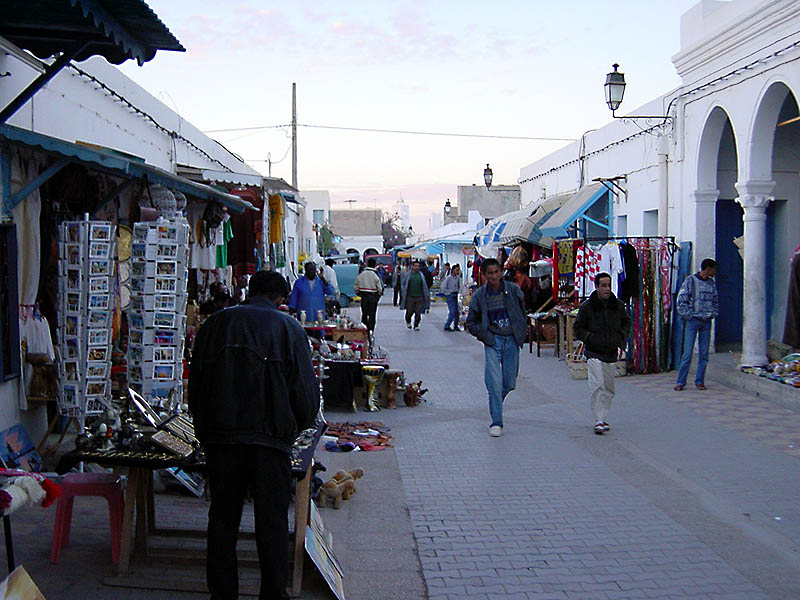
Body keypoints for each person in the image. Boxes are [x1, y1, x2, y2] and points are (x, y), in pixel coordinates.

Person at [189, 270, 320, 600]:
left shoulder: (214, 326)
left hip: (222, 439)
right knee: (272, 523)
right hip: (270, 442)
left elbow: (196, 387)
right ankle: (273, 594)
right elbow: (305, 394)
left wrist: (205, 431)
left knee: (222, 520)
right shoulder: (289, 329)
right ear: (280, 299)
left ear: (251, 291)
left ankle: (222, 595)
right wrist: (296, 428)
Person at [466, 258, 527, 437]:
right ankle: (496, 421)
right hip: (493, 341)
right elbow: (471, 322)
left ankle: (495, 403)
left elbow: (522, 312)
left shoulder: (513, 290)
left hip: (512, 340)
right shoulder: (479, 296)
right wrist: (485, 335)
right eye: (490, 273)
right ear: (484, 275)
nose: (494, 276)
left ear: (501, 272)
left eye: (496, 272)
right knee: (494, 382)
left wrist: (520, 330)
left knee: (509, 382)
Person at [573, 271, 631, 435]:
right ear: (597, 286)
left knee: (608, 386)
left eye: (608, 285)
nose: (607, 289)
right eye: (603, 285)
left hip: (611, 351)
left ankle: (603, 416)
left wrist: (620, 337)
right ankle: (599, 419)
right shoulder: (587, 307)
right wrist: (590, 338)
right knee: (597, 384)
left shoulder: (617, 305)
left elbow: (626, 322)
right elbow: (578, 328)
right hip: (594, 351)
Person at [674, 258, 719, 391]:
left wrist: (713, 313)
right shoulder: (690, 281)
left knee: (704, 353)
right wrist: (689, 315)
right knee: (687, 353)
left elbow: (715, 300)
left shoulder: (711, 283)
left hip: (706, 321)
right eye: (714, 269)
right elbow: (682, 300)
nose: (715, 272)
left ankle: (699, 381)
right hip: (693, 321)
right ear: (708, 269)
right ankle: (681, 382)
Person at [354, 257, 384, 333]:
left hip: (363, 296)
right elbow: (380, 287)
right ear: (374, 265)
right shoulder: (375, 275)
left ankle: (364, 329)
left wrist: (358, 293)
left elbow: (356, 285)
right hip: (373, 296)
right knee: (372, 314)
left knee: (364, 313)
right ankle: (371, 330)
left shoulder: (361, 274)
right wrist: (378, 295)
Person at [400, 260, 430, 330]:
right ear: (412, 266)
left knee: (418, 312)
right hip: (410, 297)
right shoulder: (408, 275)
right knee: (409, 311)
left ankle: (416, 325)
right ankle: (408, 321)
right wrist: (403, 292)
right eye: (415, 266)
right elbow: (403, 284)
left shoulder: (421, 275)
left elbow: (424, 285)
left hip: (420, 297)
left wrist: (426, 295)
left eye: (418, 266)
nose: (417, 267)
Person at [441, 263, 462, 331]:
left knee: (456, 312)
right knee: (452, 311)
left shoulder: (457, 278)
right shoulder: (449, 278)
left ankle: (456, 325)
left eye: (458, 270)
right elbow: (443, 287)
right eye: (456, 270)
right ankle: (447, 325)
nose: (458, 272)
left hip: (455, 295)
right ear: (453, 270)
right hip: (450, 296)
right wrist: (448, 292)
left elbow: (459, 286)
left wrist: (459, 291)